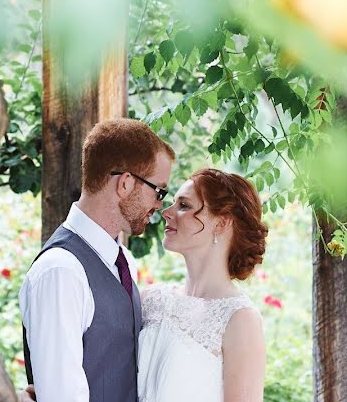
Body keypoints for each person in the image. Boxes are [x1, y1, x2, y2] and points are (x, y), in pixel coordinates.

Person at [19, 118, 175, 402]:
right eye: (159, 190)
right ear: (126, 183)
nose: (159, 204)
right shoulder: (61, 271)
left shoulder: (122, 260)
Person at [137, 168, 268, 402]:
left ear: (221, 223)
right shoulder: (150, 300)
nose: (166, 212)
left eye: (184, 206)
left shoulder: (240, 319)